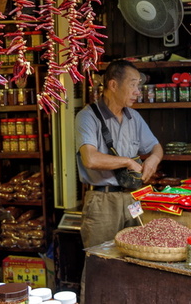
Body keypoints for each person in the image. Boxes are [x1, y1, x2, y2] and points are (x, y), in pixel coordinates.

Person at [75, 59, 164, 249]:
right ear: (113, 85)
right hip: (102, 202)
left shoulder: (134, 117)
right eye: (133, 85)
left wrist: (153, 161)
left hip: (133, 198)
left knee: (135, 256)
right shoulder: (87, 117)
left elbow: (156, 146)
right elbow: (90, 159)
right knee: (100, 260)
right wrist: (128, 162)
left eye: (138, 85)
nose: (137, 91)